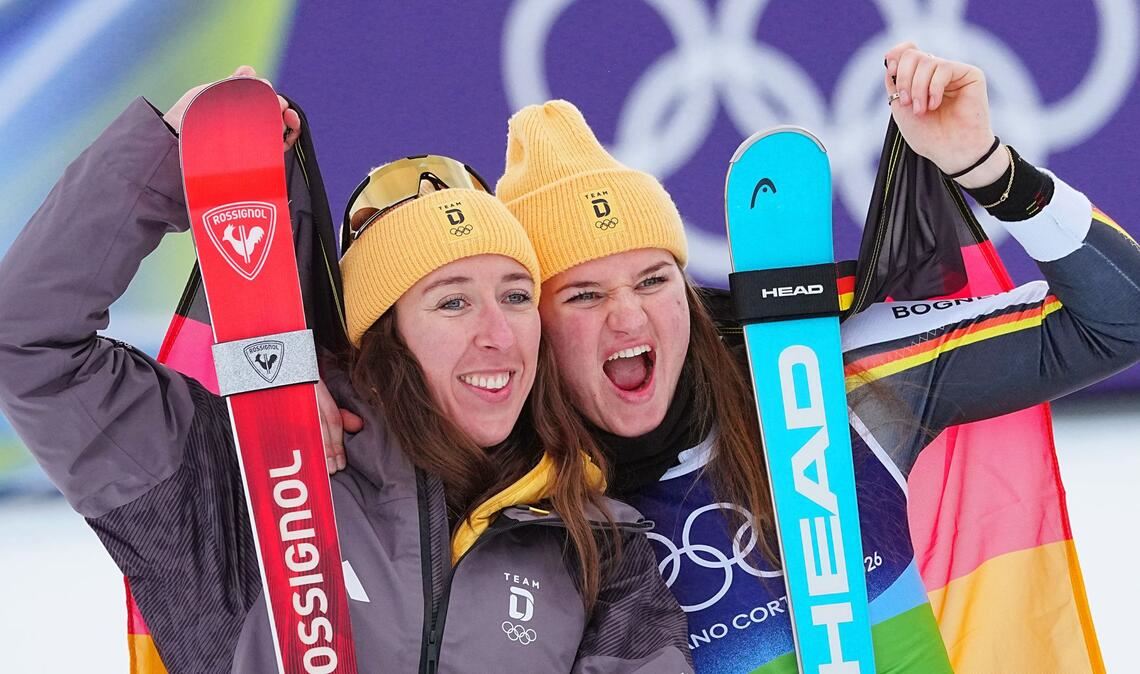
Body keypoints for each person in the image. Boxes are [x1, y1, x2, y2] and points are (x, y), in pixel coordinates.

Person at [0, 68, 692, 673]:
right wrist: (169, 155)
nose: (495, 333)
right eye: (451, 302)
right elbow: (27, 339)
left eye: (515, 296)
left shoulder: (596, 544)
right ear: (383, 339)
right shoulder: (228, 477)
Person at [490, 43, 1140, 673]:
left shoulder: (833, 383)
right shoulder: (504, 510)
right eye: (584, 294)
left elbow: (1120, 319)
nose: (629, 317)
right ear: (531, 328)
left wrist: (988, 168)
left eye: (655, 280)